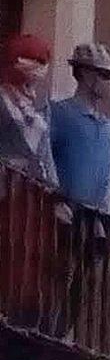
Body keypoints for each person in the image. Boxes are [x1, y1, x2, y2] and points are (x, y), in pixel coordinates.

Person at [0, 32, 58, 327]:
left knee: (28, 253)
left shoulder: (40, 108)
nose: (41, 70)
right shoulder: (1, 99)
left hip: (32, 196)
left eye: (43, 63)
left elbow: (45, 154)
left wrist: (54, 191)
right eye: (36, 62)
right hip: (4, 190)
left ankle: (21, 311)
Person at [46, 42, 110, 216]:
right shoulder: (57, 114)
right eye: (106, 75)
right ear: (87, 74)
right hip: (63, 218)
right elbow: (41, 162)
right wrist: (53, 203)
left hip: (96, 225)